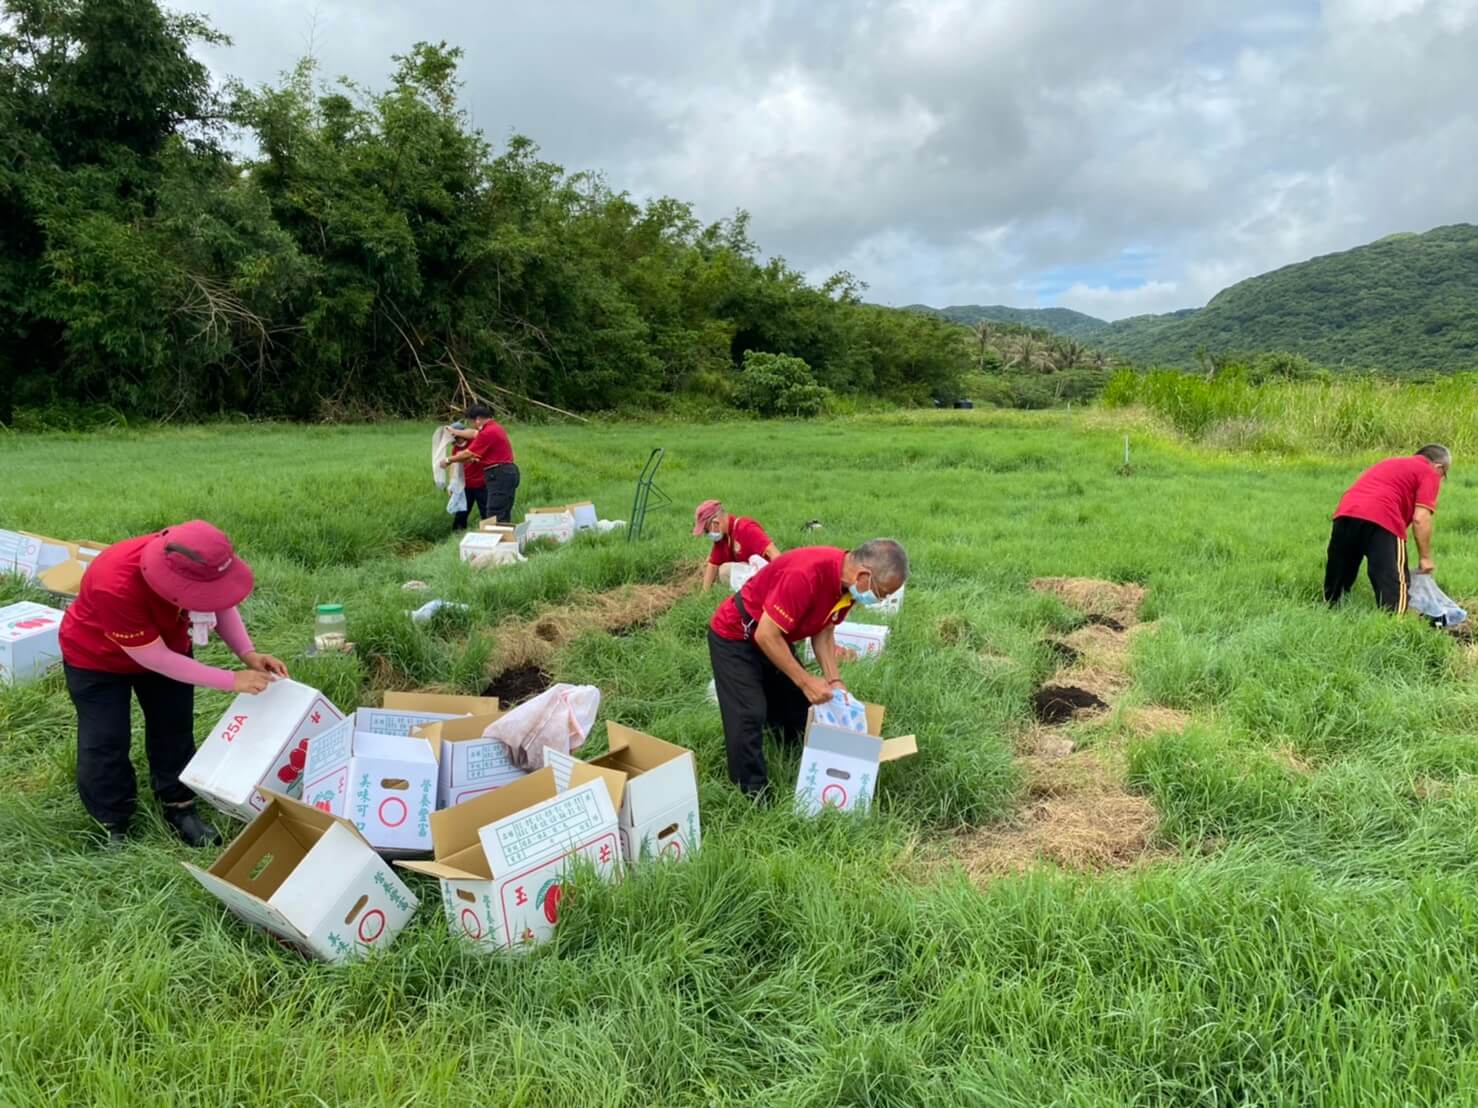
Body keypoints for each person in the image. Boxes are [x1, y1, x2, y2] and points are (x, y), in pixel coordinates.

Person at [58, 521, 288, 848]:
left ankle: (179, 806)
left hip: (170, 645)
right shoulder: (115, 583)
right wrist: (231, 679)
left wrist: (248, 654)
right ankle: (112, 820)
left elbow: (217, 600)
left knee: (174, 726)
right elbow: (155, 659)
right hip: (98, 659)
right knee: (105, 738)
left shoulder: (191, 553)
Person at [708, 538, 908, 798]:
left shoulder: (846, 587)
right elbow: (766, 636)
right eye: (881, 592)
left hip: (775, 637)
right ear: (864, 575)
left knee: (799, 707)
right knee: (748, 713)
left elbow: (824, 630)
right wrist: (805, 680)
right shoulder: (806, 575)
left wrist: (834, 681)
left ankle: (796, 759)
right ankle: (751, 793)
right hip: (737, 634)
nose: (880, 600)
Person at [1324, 444, 1451, 613]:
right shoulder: (1429, 471)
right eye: (1444, 475)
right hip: (1383, 518)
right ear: (1439, 467)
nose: (1441, 479)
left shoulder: (1391, 463)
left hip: (1346, 513)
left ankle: (1330, 610)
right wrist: (1425, 558)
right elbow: (1421, 518)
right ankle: (1395, 627)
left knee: (1339, 574)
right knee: (1393, 584)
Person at [441, 405, 520, 531]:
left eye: (472, 422)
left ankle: (495, 545)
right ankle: (506, 542)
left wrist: (447, 460)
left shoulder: (487, 432)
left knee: (494, 512)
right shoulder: (496, 428)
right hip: (504, 473)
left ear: (478, 419)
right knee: (502, 511)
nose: (473, 425)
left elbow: (468, 453)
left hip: (497, 474)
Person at [694, 500, 781, 590]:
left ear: (715, 523)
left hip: (768, 576)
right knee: (716, 573)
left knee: (724, 571)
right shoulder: (723, 539)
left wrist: (781, 580)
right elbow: (713, 565)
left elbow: (773, 552)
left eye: (707, 530)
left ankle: (756, 592)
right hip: (755, 576)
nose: (708, 534)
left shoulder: (746, 528)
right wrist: (704, 594)